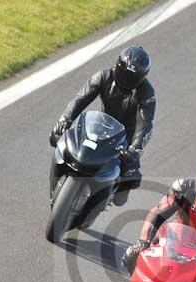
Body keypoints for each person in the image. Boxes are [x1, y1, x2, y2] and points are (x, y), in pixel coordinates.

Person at [51, 46, 155, 206]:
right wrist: (65, 119)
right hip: (100, 124)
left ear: (142, 77)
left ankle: (111, 190)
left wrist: (135, 148)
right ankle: (58, 181)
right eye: (125, 74)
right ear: (118, 66)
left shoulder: (146, 93)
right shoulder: (103, 77)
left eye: (132, 78)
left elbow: (145, 124)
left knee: (128, 179)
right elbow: (80, 99)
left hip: (127, 136)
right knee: (57, 137)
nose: (126, 81)